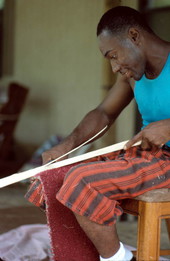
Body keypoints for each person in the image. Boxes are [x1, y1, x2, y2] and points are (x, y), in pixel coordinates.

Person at [27, 6, 170, 261]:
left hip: (166, 161)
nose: (114, 67)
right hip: (147, 156)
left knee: (83, 181)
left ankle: (118, 259)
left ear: (134, 36)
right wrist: (66, 146)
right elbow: (103, 114)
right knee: (53, 178)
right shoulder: (132, 76)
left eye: (114, 56)